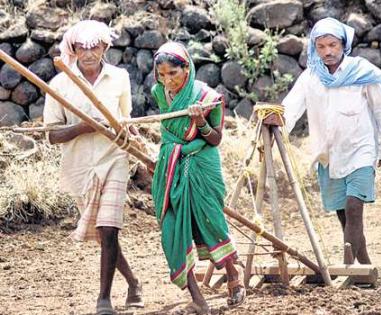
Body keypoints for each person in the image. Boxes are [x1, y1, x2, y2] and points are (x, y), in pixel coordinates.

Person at [43, 20, 143, 315]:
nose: (88, 53)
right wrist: (84, 127)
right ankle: (134, 282)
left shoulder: (119, 78)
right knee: (104, 234)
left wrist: (140, 144)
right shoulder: (60, 84)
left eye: (95, 46)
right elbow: (52, 135)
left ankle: (104, 299)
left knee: (109, 229)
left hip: (114, 158)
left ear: (105, 47)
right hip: (79, 168)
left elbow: (125, 120)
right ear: (72, 49)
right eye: (81, 47)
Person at [280, 17, 381, 264]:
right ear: (315, 48)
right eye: (321, 47)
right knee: (343, 212)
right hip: (328, 154)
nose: (328, 52)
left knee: (355, 206)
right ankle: (363, 264)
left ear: (343, 44)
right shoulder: (311, 76)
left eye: (332, 45)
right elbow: (290, 108)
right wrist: (274, 127)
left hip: (361, 150)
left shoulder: (361, 71)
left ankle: (347, 265)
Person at [151, 42, 246, 314]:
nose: (167, 80)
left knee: (211, 223)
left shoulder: (207, 97)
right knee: (172, 227)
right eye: (162, 74)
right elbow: (169, 132)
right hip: (171, 167)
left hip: (203, 166)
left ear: (187, 69)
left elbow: (215, 139)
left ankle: (234, 278)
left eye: (173, 74)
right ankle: (197, 298)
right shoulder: (159, 93)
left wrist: (201, 122)